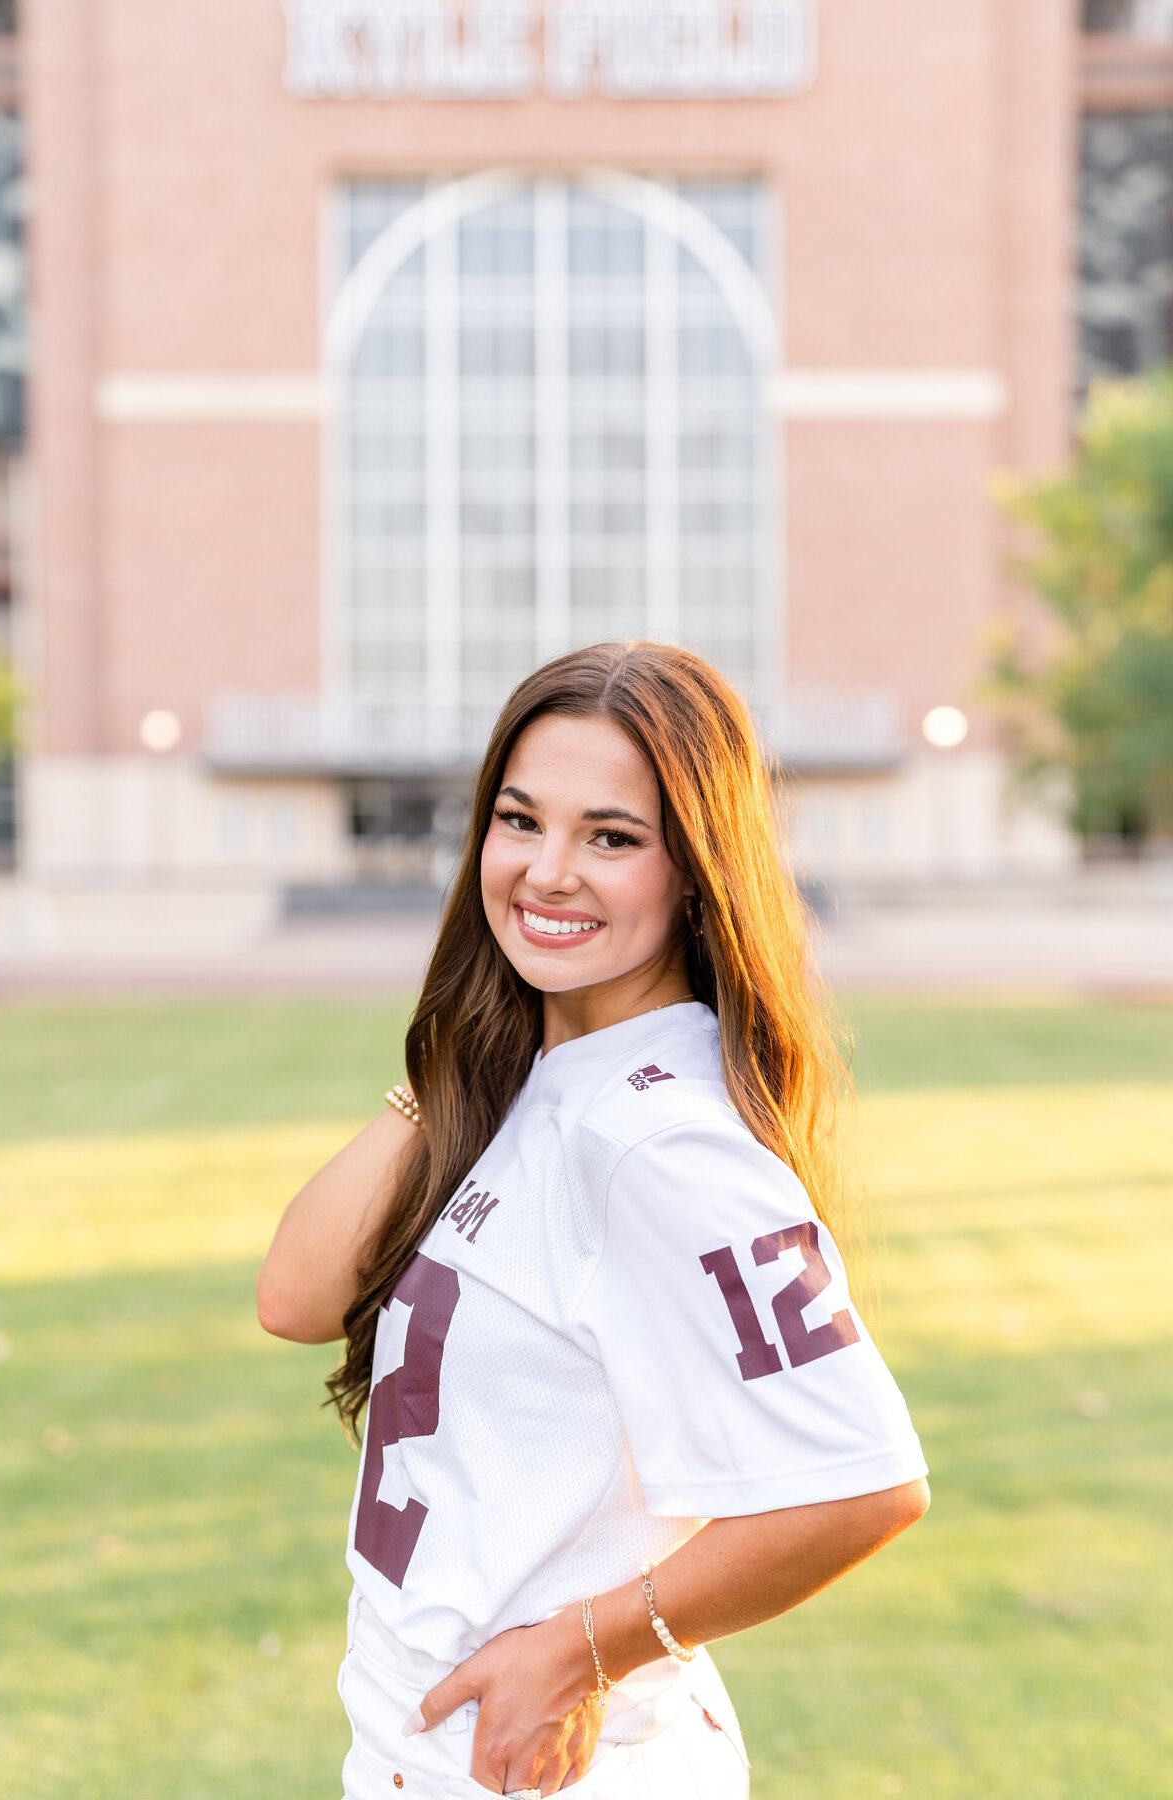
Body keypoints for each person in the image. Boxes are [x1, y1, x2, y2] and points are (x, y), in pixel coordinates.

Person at [257, 641, 929, 1800]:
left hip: (555, 1766)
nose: (546, 872)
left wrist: (588, 1649)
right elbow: (296, 1299)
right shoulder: (539, 1076)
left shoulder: (664, 1145)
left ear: (695, 870)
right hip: (423, 1739)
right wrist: (465, 1058)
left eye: (611, 838)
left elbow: (862, 1480)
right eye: (520, 822)